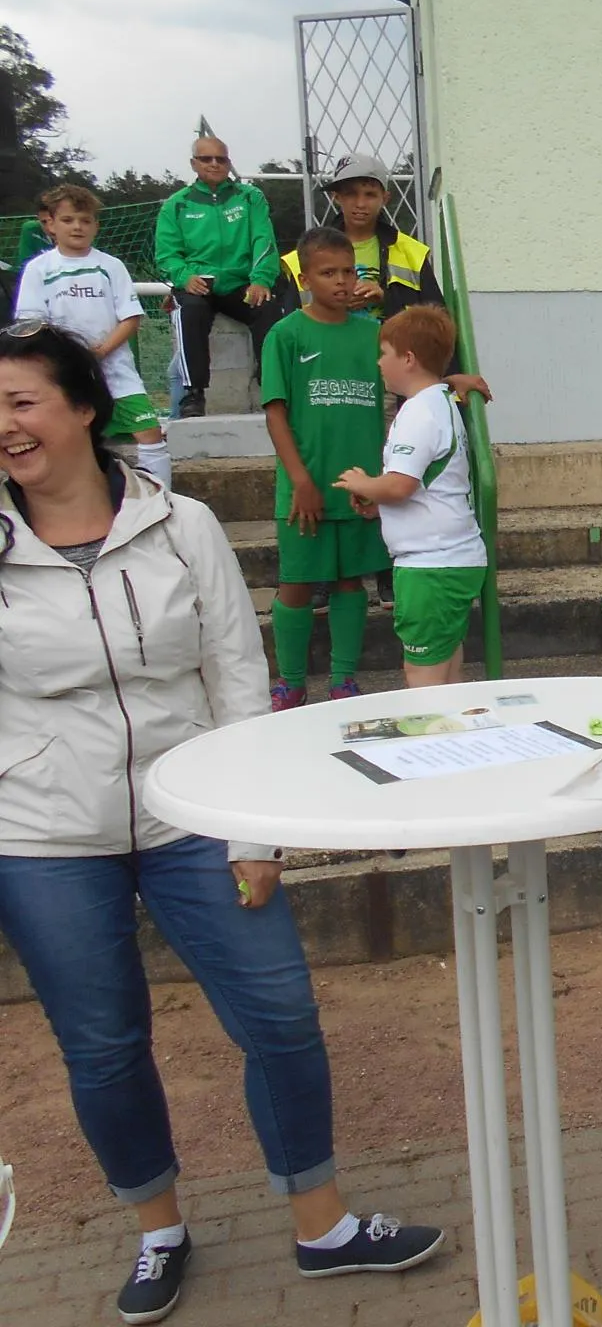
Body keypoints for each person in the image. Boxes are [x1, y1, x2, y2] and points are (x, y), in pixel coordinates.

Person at [0, 321, 444, 1325]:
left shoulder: (180, 525)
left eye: (23, 402)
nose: (7, 427)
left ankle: (322, 1225)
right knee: (103, 1046)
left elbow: (238, 673)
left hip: (191, 810)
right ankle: (157, 1228)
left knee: (280, 1016)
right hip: (42, 834)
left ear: (84, 408)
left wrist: (252, 829)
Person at [334, 307, 487, 687]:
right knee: (447, 663)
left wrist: (361, 483)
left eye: (384, 353)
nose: (379, 362)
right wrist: (378, 503)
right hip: (451, 559)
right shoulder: (440, 401)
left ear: (408, 359)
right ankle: (451, 723)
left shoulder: (419, 412)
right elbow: (424, 483)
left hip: (431, 565)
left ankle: (430, 727)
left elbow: (400, 485)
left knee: (422, 673)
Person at [12, 185, 173, 490]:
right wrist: (71, 357)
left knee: (150, 434)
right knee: (72, 437)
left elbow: (130, 318)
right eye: (68, 220)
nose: (77, 227)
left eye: (85, 220)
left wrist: (100, 352)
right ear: (50, 225)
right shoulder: (38, 269)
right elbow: (31, 324)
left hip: (117, 373)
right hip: (66, 374)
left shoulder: (111, 266)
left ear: (96, 225)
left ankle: (161, 498)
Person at [153, 135, 281, 418]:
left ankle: (272, 386)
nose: (214, 164)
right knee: (189, 310)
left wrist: (261, 279)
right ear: (193, 164)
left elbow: (264, 239)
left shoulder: (250, 197)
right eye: (206, 159)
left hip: (240, 283)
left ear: (228, 162)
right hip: (198, 283)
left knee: (269, 307)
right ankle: (193, 394)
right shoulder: (177, 204)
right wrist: (184, 277)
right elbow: (166, 253)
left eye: (220, 159)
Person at [277, 155, 440, 323]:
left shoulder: (412, 253)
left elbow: (438, 320)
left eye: (370, 195)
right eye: (351, 194)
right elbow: (291, 326)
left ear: (385, 198)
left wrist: (386, 298)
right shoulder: (303, 257)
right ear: (336, 197)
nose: (360, 203)